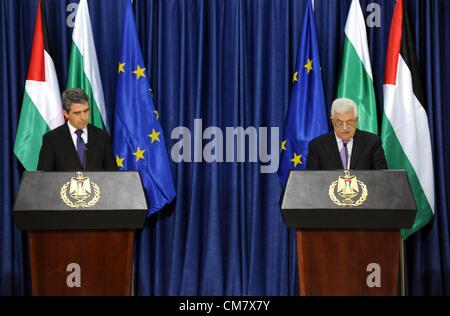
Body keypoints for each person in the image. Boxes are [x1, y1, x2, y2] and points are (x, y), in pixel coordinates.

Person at [37, 88, 117, 171]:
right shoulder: (51, 139)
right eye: (77, 113)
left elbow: (112, 174)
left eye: (86, 111)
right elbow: (44, 178)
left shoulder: (102, 136)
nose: (83, 117)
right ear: (66, 114)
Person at [306, 98, 387, 170]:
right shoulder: (317, 146)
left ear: (356, 120)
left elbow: (382, 178)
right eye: (339, 122)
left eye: (349, 122)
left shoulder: (372, 143)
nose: (345, 128)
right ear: (333, 122)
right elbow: (312, 181)